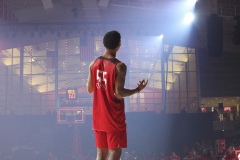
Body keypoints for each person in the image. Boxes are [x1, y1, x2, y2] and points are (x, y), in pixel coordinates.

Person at [86, 30, 148, 160]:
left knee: (100, 154)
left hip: (98, 115)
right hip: (113, 116)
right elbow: (119, 93)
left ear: (104, 44)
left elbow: (89, 89)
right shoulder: (120, 66)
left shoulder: (93, 64)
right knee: (115, 152)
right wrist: (137, 89)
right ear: (119, 45)